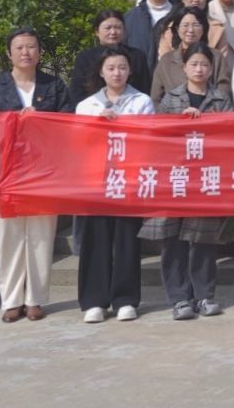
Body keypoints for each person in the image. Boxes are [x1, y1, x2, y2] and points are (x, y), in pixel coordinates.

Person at [0, 28, 73, 323]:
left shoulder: (54, 86)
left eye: (31, 47)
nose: (25, 52)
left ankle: (35, 299)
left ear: (40, 53)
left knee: (41, 236)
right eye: (19, 47)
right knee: (9, 238)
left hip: (44, 173)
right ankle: (11, 300)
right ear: (9, 53)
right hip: (6, 175)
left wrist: (41, 118)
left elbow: (69, 123)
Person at [140, 43, 232, 320]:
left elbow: (232, 136)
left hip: (206, 177)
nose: (199, 69)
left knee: (203, 239)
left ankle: (204, 295)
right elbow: (158, 138)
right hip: (176, 178)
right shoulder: (171, 99)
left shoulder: (220, 100)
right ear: (184, 67)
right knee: (173, 240)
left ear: (211, 68)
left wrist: (209, 122)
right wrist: (180, 122)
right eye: (194, 64)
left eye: (204, 64)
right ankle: (179, 298)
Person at [75, 48, 155, 323]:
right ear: (101, 72)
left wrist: (122, 125)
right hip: (96, 182)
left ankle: (125, 299)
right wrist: (98, 125)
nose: (117, 73)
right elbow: (78, 144)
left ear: (130, 71)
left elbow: (148, 139)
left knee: (126, 240)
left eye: (122, 67)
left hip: (128, 180)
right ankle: (94, 301)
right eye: (111, 68)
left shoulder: (142, 101)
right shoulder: (87, 106)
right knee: (95, 241)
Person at [149, 6, 234, 105]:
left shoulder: (216, 57)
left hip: (210, 112)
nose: (190, 30)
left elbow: (224, 90)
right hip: (174, 112)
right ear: (177, 28)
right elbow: (156, 98)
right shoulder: (166, 61)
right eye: (185, 25)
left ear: (204, 28)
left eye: (196, 25)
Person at [72, 10, 152, 103]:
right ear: (97, 31)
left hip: (131, 107)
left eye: (118, 27)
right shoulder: (85, 58)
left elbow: (144, 88)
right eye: (108, 28)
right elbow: (77, 93)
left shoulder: (137, 56)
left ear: (124, 30)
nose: (113, 32)